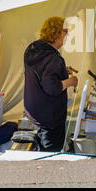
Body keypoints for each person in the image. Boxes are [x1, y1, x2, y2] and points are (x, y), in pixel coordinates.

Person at [23, 16, 78, 152]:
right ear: (57, 33)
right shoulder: (52, 58)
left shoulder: (33, 48)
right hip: (49, 116)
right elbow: (52, 88)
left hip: (34, 110)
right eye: (66, 31)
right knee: (51, 153)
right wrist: (70, 81)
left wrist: (62, 71)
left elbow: (41, 73)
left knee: (44, 140)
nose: (68, 34)